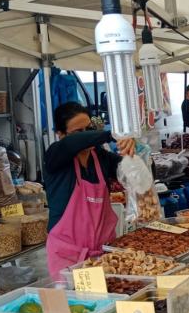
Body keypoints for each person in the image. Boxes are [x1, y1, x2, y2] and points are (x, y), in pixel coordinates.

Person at [43, 102, 135, 281]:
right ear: (60, 134)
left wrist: (137, 156)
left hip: (104, 254)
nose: (86, 135)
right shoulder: (55, 156)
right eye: (79, 131)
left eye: (89, 128)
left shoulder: (101, 158)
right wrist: (111, 134)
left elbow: (131, 174)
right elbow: (72, 144)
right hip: (67, 257)